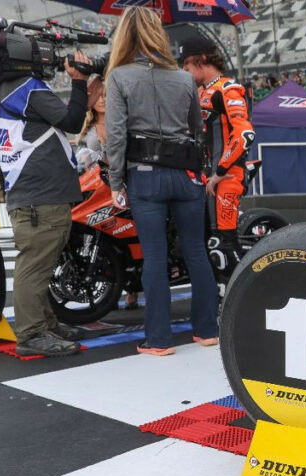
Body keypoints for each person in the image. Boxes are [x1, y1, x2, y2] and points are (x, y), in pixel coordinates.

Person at [104, 6, 220, 356]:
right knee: (196, 251)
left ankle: (159, 339)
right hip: (187, 176)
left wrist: (114, 181)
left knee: (153, 256)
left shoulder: (120, 76)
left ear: (125, 36)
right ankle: (207, 330)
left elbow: (116, 136)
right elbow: (197, 129)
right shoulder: (184, 78)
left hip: (145, 177)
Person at [0, 47, 95, 356]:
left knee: (40, 263)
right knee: (34, 266)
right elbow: (72, 120)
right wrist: (79, 81)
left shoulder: (9, 88)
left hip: (38, 195)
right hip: (40, 197)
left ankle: (44, 323)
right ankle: (32, 332)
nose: (47, 59)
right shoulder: (24, 88)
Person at [179, 35, 256, 282]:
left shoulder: (228, 89)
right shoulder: (201, 92)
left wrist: (220, 172)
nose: (185, 72)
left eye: (187, 66)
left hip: (226, 177)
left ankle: (239, 304)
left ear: (202, 60)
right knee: (204, 244)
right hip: (205, 179)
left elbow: (245, 133)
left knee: (223, 246)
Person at [79, 77, 140, 310]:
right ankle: (117, 284)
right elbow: (83, 164)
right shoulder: (89, 133)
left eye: (107, 95)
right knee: (111, 237)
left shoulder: (125, 123)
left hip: (131, 182)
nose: (103, 100)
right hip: (104, 190)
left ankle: (134, 287)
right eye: (99, 96)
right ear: (91, 101)